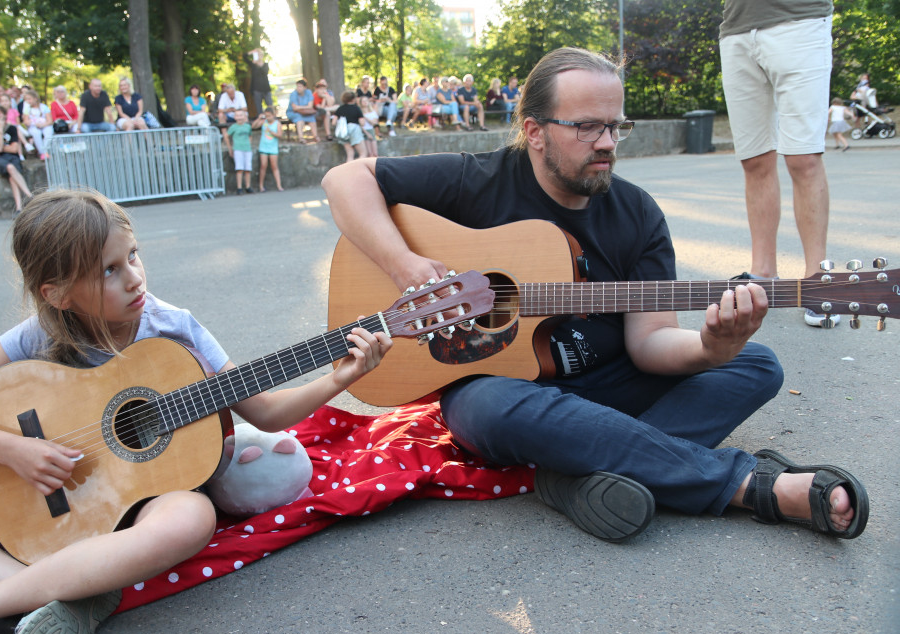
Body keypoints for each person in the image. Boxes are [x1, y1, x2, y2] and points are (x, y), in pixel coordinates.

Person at [320, 46, 868, 545]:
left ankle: (574, 474)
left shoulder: (637, 214)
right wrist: (406, 265)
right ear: (534, 131)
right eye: (585, 127)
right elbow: (345, 181)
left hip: (613, 384)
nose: (606, 143)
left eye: (614, 125)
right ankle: (751, 484)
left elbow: (650, 343)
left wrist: (711, 347)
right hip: (511, 394)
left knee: (756, 365)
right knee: (485, 405)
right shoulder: (478, 180)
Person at [0, 189, 391, 634]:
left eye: (134, 257)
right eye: (108, 271)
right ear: (55, 294)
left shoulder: (173, 328)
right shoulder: (36, 336)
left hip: (147, 503)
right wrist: (14, 450)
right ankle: (51, 589)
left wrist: (338, 378)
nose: (134, 278)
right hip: (49, 497)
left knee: (191, 520)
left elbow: (267, 412)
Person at [719, 0, 838, 328]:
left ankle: (819, 277)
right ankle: (764, 272)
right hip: (736, 27)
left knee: (804, 158)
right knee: (754, 160)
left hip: (799, 20)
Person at [0, 105, 34, 213]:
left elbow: (14, 149)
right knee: (10, 168)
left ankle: (19, 208)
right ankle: (29, 195)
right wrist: (0, 130)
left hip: (12, 157)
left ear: (4, 115)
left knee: (12, 177)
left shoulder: (12, 128)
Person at [222, 109, 254, 195]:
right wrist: (230, 148)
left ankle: (248, 186)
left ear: (244, 116)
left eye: (241, 115)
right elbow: (226, 136)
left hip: (247, 149)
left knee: (248, 169)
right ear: (235, 117)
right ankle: (239, 187)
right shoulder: (233, 127)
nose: (239, 117)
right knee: (239, 169)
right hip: (238, 149)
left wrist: (249, 144)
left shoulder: (247, 126)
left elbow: (250, 135)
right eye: (237, 115)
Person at [331, 90, 367, 162]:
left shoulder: (340, 108)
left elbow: (333, 122)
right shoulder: (356, 108)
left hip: (343, 132)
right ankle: (358, 169)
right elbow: (362, 123)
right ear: (353, 99)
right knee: (363, 153)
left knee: (350, 154)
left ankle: (349, 171)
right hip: (354, 130)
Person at [254, 107, 284, 192]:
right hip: (263, 147)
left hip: (273, 147)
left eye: (269, 116)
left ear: (273, 115)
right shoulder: (264, 122)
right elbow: (254, 126)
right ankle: (261, 186)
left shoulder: (277, 123)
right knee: (263, 166)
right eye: (266, 116)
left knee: (274, 166)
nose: (268, 117)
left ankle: (279, 185)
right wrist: (259, 118)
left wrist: (272, 132)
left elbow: (280, 135)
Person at [21, 88, 53, 160]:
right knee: (36, 133)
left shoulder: (44, 107)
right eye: (26, 99)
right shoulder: (27, 109)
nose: (28, 101)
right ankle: (42, 153)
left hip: (44, 125)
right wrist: (33, 123)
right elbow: (25, 121)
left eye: (29, 99)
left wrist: (42, 125)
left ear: (35, 98)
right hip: (33, 127)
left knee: (48, 131)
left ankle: (46, 151)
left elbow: (50, 121)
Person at [249, 48, 273, 114]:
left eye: (260, 54)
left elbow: (264, 72)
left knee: (270, 104)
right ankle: (261, 118)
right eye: (258, 55)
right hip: (256, 89)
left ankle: (272, 117)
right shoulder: (253, 65)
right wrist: (252, 52)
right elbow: (244, 57)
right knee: (258, 107)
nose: (259, 56)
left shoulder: (265, 65)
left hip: (266, 88)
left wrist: (259, 64)